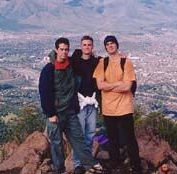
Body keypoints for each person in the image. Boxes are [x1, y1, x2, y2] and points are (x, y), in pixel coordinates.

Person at [39, 37, 102, 174]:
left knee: (78, 138)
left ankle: (89, 164)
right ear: (56, 50)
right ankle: (59, 170)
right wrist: (50, 113)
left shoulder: (70, 65)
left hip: (70, 110)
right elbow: (44, 92)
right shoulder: (49, 69)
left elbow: (83, 58)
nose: (64, 52)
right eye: (61, 49)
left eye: (66, 49)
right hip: (55, 113)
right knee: (56, 143)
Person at [93, 35, 142, 174]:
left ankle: (136, 165)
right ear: (105, 47)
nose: (110, 45)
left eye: (112, 43)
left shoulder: (126, 63)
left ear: (117, 45)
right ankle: (115, 161)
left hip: (124, 107)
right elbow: (99, 84)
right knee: (112, 137)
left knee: (129, 137)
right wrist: (118, 84)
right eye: (107, 44)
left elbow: (127, 86)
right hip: (108, 108)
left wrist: (109, 86)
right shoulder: (102, 62)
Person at [70, 36, 100, 169]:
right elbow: (59, 58)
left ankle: (87, 161)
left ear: (92, 47)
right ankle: (77, 163)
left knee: (90, 134)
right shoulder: (75, 61)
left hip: (92, 103)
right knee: (79, 135)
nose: (87, 47)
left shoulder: (96, 61)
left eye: (89, 45)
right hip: (80, 104)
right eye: (84, 45)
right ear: (81, 46)